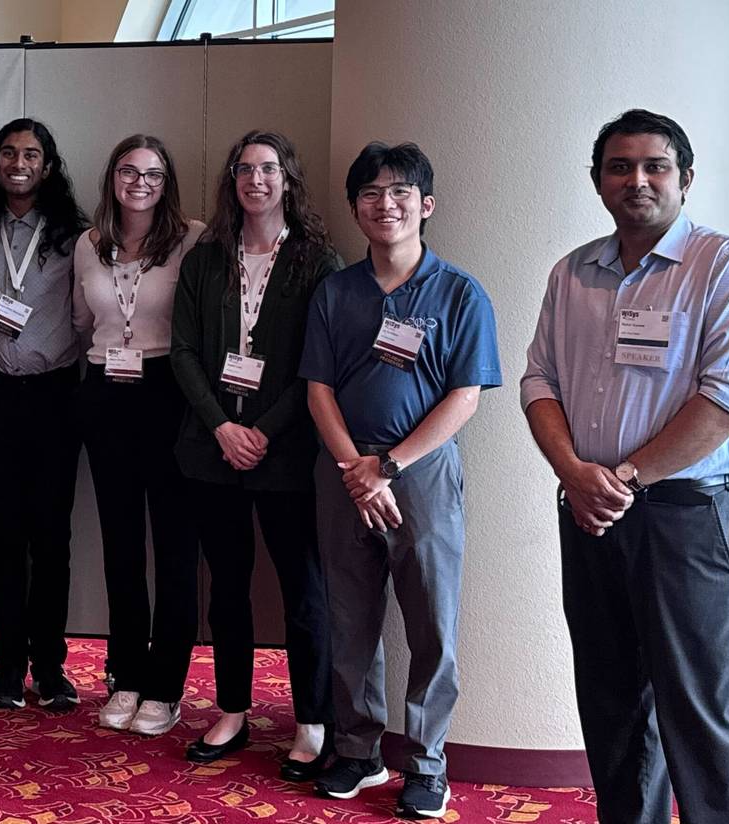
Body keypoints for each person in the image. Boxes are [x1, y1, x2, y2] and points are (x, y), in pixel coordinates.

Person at [522, 109, 729, 824]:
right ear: (599, 181)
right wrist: (575, 472)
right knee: (611, 700)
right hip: (587, 510)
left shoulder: (726, 267)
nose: (636, 180)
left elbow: (728, 398)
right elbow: (539, 382)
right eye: (619, 166)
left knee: (700, 704)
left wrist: (624, 478)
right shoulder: (572, 272)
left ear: (686, 178)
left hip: (680, 515)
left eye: (655, 165)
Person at [301, 142, 500, 819]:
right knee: (349, 618)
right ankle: (357, 751)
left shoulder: (460, 292)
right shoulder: (336, 291)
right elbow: (318, 390)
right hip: (342, 475)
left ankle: (427, 762)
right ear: (355, 207)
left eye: (400, 193)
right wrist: (355, 470)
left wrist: (386, 467)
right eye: (370, 194)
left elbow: (466, 395)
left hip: (420, 478)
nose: (385, 204)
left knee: (432, 623)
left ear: (426, 205)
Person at [167, 130, 338, 776]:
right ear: (232, 180)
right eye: (245, 169)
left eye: (269, 169)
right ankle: (233, 710)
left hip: (287, 454)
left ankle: (313, 721)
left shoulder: (318, 262)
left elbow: (319, 365)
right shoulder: (207, 257)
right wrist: (222, 427)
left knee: (304, 593)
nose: (256, 180)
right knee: (228, 590)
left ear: (288, 179)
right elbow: (182, 351)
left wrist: (262, 430)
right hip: (212, 452)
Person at [71, 134, 203, 737]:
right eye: (128, 171)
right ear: (112, 178)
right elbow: (83, 322)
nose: (140, 182)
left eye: (152, 172)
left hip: (168, 393)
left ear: (166, 180)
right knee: (120, 544)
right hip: (104, 391)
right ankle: (125, 673)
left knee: (174, 544)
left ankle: (165, 684)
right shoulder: (88, 245)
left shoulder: (192, 239)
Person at [0, 118, 88, 711]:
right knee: (4, 539)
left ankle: (52, 667)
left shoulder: (75, 235)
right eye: (10, 153)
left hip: (56, 398)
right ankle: (8, 664)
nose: (20, 162)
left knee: (53, 539)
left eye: (32, 154)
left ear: (48, 165)